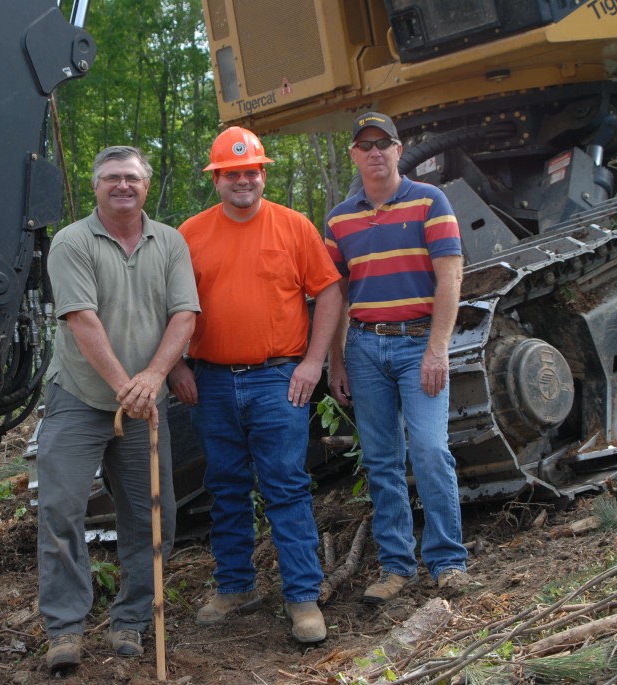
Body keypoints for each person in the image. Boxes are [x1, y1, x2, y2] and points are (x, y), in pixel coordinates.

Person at [168, 127, 342, 643]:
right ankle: (236, 585)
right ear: (217, 179)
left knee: (286, 485)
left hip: (278, 379)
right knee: (225, 488)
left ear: (262, 174)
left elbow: (329, 294)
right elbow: (170, 307)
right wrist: (176, 365)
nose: (243, 180)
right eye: (232, 174)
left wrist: (314, 363)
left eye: (252, 172)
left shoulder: (294, 227)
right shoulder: (188, 235)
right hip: (212, 382)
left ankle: (303, 599)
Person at [37, 146, 200, 671]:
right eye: (111, 178)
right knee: (61, 509)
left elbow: (183, 317)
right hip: (80, 398)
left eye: (131, 177)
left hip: (144, 402)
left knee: (153, 516)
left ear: (145, 186)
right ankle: (65, 629)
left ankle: (130, 620)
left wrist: (152, 378)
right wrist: (125, 384)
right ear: (96, 187)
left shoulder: (170, 242)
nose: (122, 186)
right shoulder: (72, 242)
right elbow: (81, 319)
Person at [325, 112, 469, 604]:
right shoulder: (339, 219)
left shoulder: (431, 201)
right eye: (365, 145)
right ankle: (395, 565)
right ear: (354, 155)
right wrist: (336, 360)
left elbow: (450, 277)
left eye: (383, 143)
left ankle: (448, 561)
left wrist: (437, 349)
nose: (375, 152)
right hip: (364, 348)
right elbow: (336, 296)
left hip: (417, 345)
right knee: (382, 460)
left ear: (398, 148)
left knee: (429, 450)